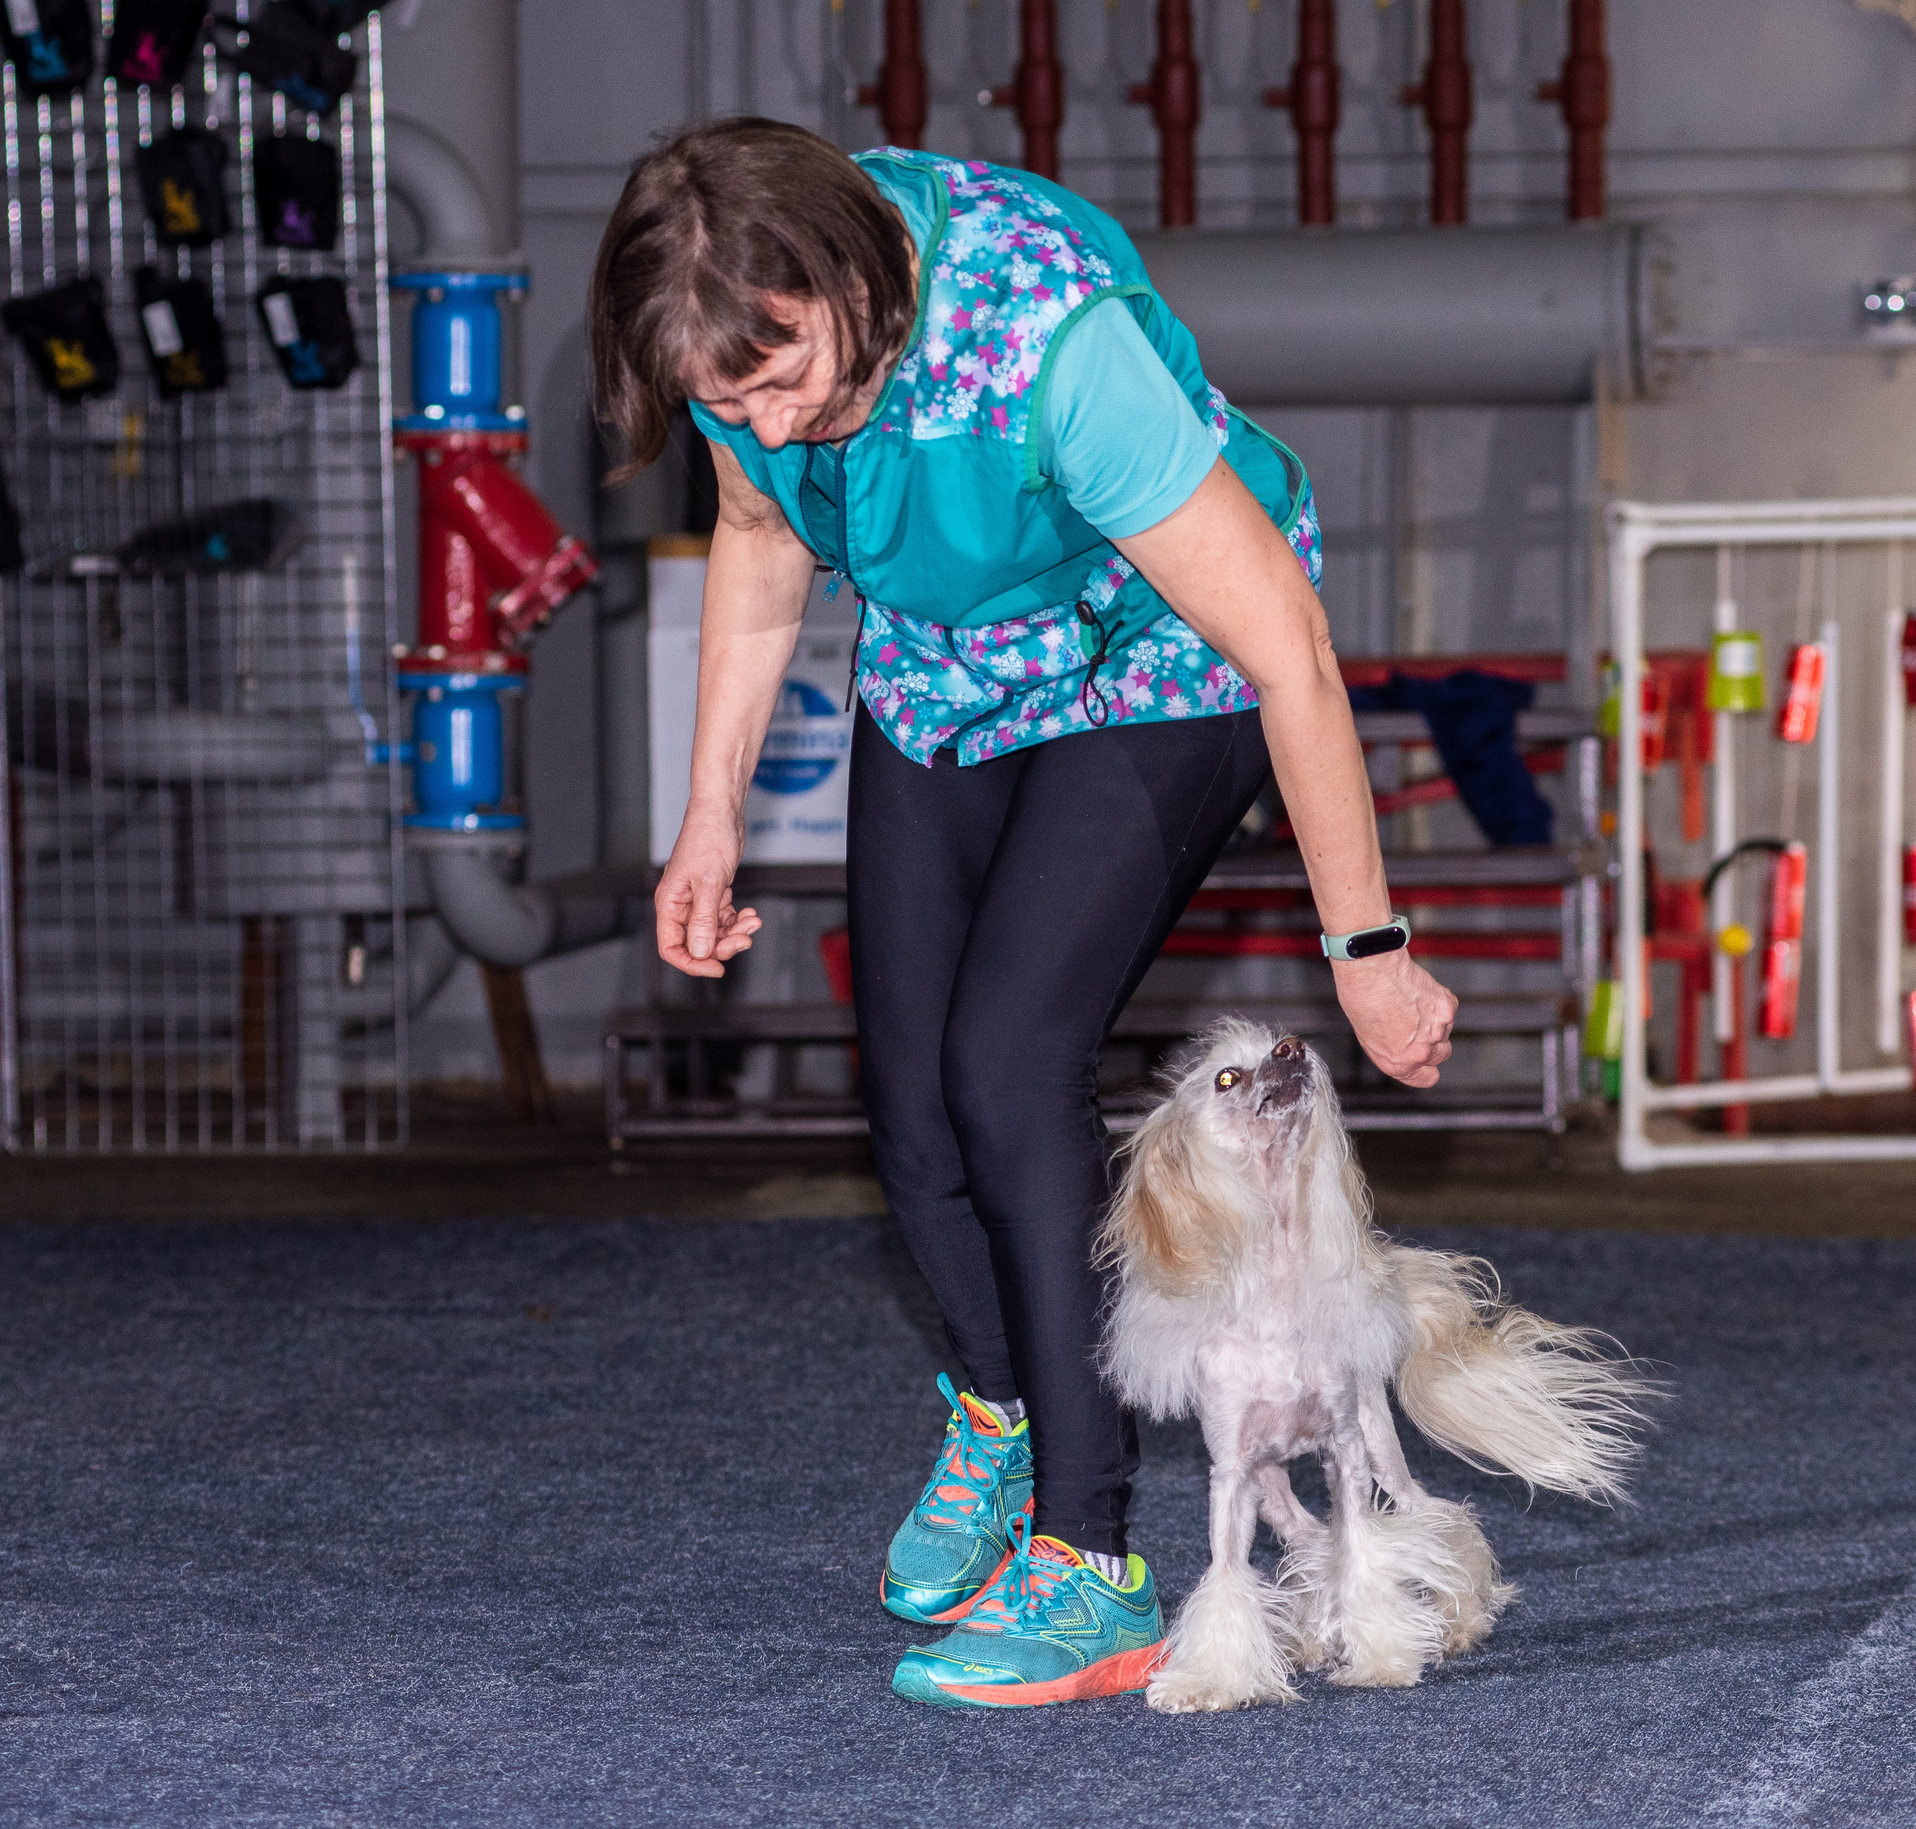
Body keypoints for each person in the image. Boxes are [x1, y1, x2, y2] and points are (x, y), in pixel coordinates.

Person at [591, 119, 1458, 1710]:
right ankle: (1003, 1411)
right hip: (951, 657)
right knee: (912, 1110)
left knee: (1007, 1062)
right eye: (727, 401)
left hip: (1159, 649)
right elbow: (765, 535)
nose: (762, 418)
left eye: (777, 380)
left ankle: (1095, 1561)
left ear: (851, 280)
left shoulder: (1049, 342)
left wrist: (1371, 948)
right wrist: (706, 811)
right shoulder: (737, 338)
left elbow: (1291, 655)